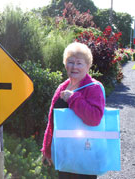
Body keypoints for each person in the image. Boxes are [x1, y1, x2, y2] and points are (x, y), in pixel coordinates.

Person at [41, 42, 105, 179]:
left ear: (88, 66)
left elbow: (94, 118)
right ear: (65, 64)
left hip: (85, 154)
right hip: (64, 153)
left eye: (79, 63)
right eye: (70, 62)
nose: (74, 66)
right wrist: (46, 149)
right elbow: (52, 121)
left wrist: (73, 98)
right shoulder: (62, 87)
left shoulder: (93, 88)